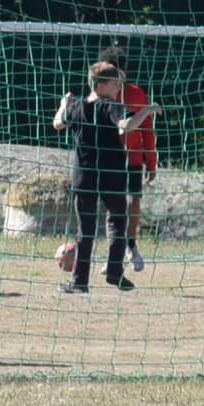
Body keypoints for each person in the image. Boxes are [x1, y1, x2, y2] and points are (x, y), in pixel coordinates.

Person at [49, 59, 138, 294]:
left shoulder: (77, 107)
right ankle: (114, 272)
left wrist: (63, 104)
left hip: (84, 177)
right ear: (100, 86)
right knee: (117, 221)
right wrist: (147, 111)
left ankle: (79, 282)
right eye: (114, 84)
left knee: (85, 230)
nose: (118, 88)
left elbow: (57, 123)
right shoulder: (110, 106)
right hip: (111, 175)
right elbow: (126, 124)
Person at [107, 48, 158, 270]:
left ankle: (131, 245)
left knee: (133, 201)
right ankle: (112, 252)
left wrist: (151, 161)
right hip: (110, 158)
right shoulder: (102, 96)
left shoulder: (137, 94)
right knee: (112, 205)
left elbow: (147, 129)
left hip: (134, 158)